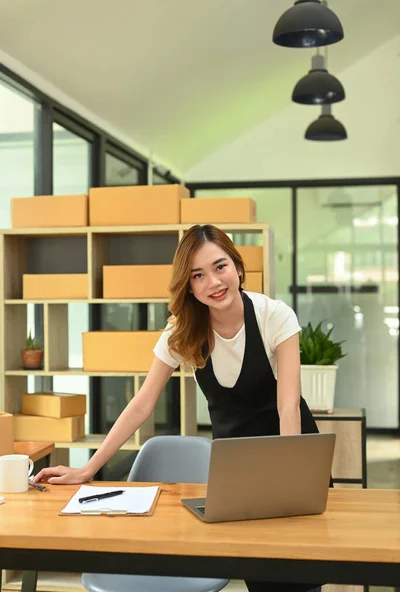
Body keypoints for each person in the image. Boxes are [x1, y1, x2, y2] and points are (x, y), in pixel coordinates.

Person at [34, 224, 324, 592]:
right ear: (188, 285)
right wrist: (88, 469)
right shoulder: (182, 331)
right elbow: (142, 405)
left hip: (290, 454)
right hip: (237, 471)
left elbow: (288, 405)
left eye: (220, 267)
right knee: (263, 575)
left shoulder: (275, 317)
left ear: (237, 266)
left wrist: (288, 480)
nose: (213, 283)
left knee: (300, 574)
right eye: (198, 275)